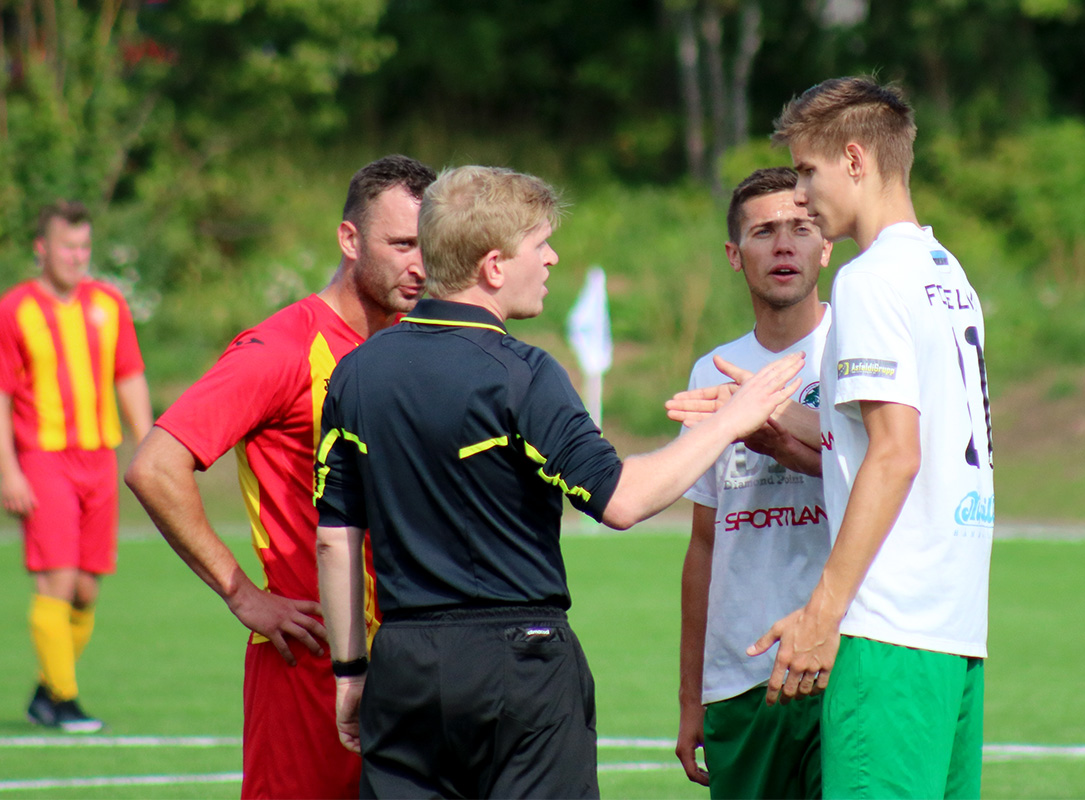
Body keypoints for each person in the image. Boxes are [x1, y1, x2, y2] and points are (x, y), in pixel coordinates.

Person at [313, 165, 805, 799]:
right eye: (540, 244)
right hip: (520, 663)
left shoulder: (355, 373)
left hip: (402, 662)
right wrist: (732, 421)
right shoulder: (520, 373)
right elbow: (622, 500)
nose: (551, 258)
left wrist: (350, 671)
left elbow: (335, 540)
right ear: (494, 266)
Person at [124, 154, 435, 800]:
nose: (421, 265)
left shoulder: (417, 345)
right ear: (350, 239)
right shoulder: (283, 348)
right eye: (402, 244)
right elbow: (155, 466)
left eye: (428, 246)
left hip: (410, 663)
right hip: (309, 661)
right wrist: (242, 593)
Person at [748, 76, 995, 798]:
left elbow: (895, 455)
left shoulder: (868, 280)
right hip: (954, 634)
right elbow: (890, 435)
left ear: (855, 160)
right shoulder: (947, 273)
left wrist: (822, 613)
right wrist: (763, 415)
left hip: (887, 632)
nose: (800, 195)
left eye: (807, 171)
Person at [675, 167, 833, 799]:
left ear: (827, 245)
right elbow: (704, 544)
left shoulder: (855, 353)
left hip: (839, 665)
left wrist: (789, 442)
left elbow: (893, 475)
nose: (784, 245)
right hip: (739, 679)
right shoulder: (711, 371)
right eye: (764, 232)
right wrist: (691, 695)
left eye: (801, 228)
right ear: (735, 255)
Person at [0, 200, 153, 733]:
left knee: (87, 587)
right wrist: (8, 471)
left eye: (84, 246)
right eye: (67, 247)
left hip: (99, 459)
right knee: (58, 580)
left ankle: (46, 692)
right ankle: (64, 700)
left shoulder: (108, 303)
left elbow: (128, 373)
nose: (77, 256)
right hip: (43, 458)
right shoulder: (15, 310)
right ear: (42, 249)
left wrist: (148, 444)